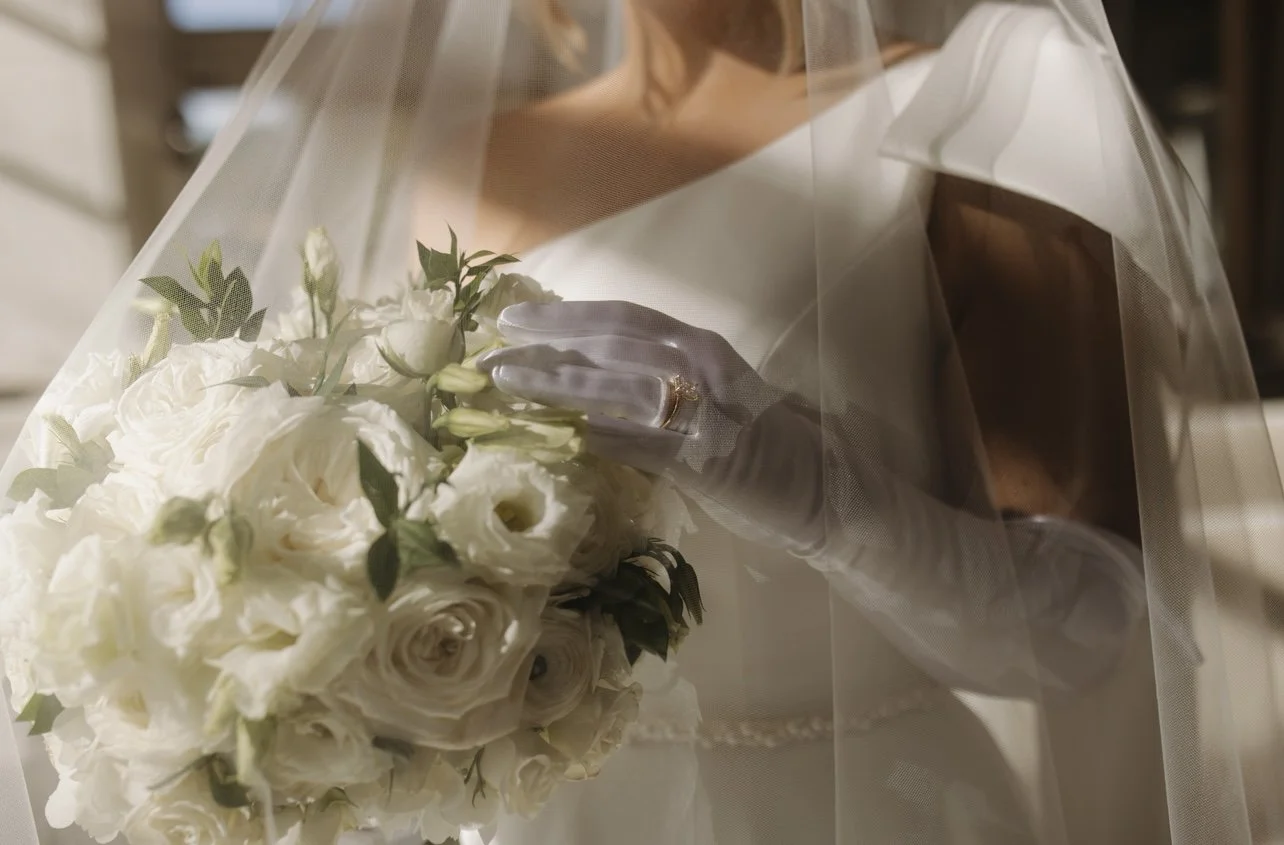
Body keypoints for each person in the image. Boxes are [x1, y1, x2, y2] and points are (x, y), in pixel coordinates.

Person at [409, 0, 1175, 842]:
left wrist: (824, 498)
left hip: (872, 807)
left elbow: (1084, 628)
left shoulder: (986, 101)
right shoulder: (471, 161)